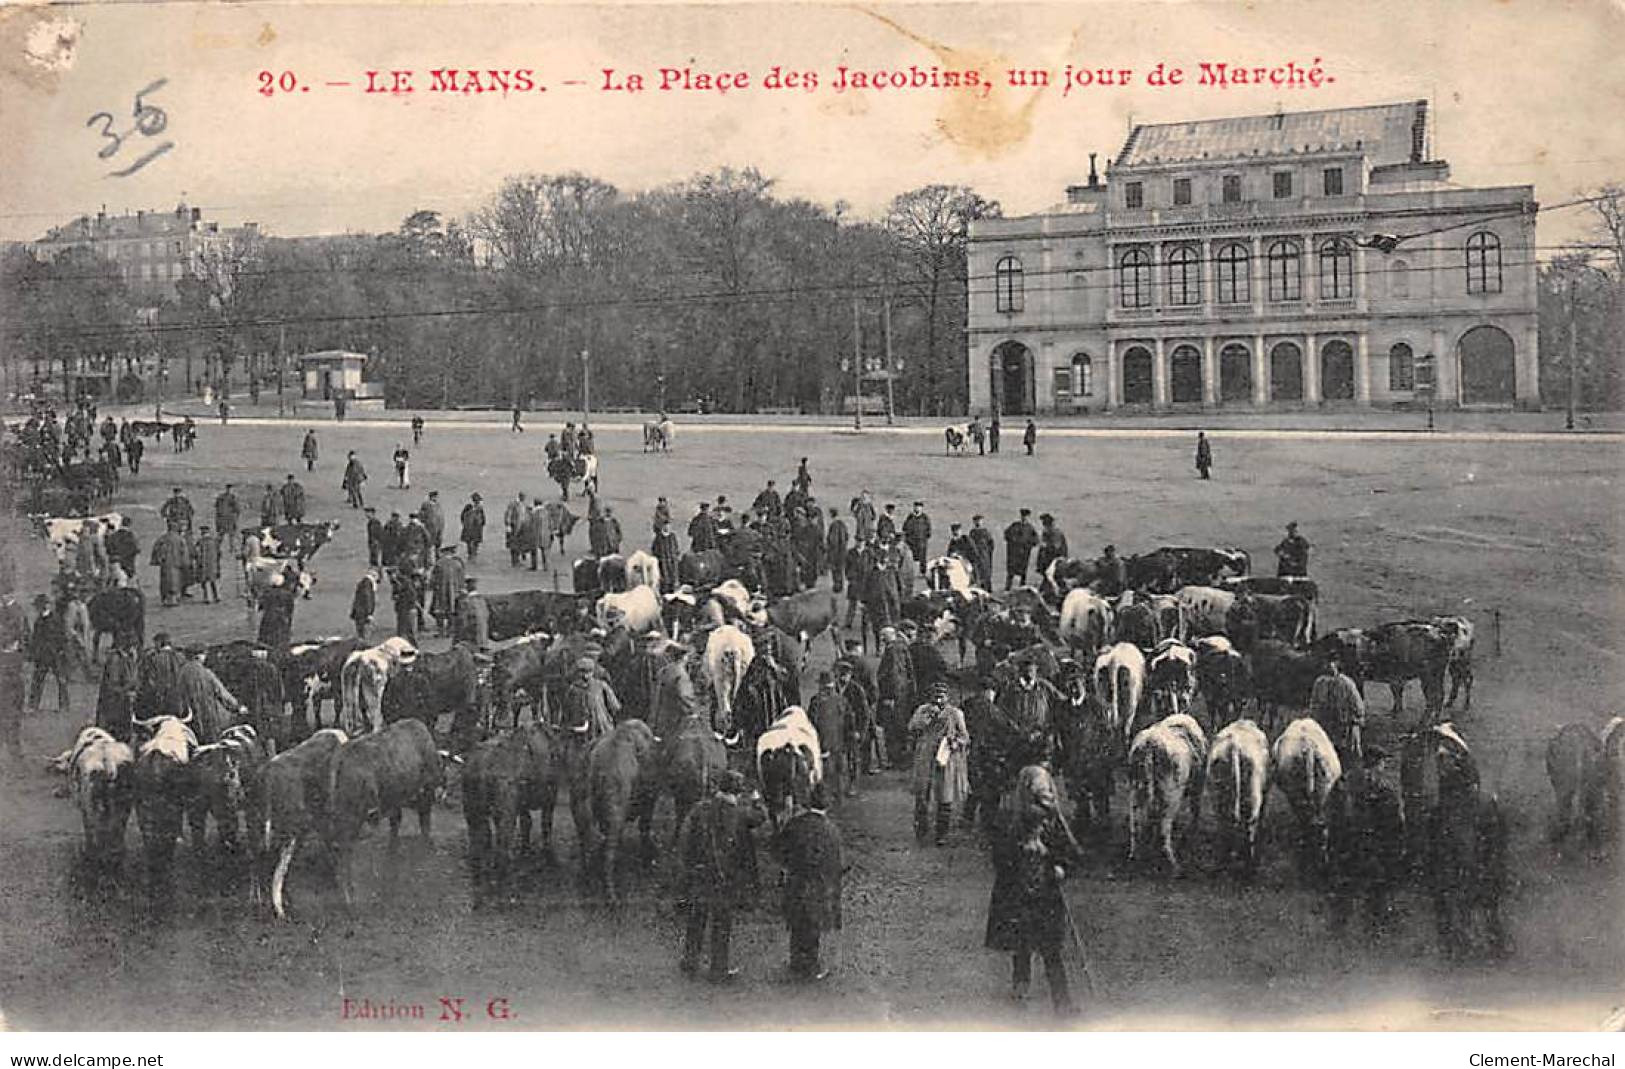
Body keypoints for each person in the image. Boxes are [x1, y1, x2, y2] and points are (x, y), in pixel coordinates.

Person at [984, 780, 1078, 1014]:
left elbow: (1068, 852)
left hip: (1046, 897)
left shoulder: (1053, 824)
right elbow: (1000, 860)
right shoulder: (1010, 825)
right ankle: (1020, 986)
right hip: (1020, 897)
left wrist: (1060, 866)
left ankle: (1062, 1001)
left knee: (1051, 950)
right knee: (1022, 944)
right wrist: (1020, 854)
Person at [677, 769, 762, 983]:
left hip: (701, 872)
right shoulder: (740, 814)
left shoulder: (700, 808)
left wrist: (689, 865)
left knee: (697, 918)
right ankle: (718, 969)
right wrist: (756, 800)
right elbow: (761, 818)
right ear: (737, 792)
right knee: (722, 923)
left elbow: (684, 839)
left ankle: (690, 960)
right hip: (726, 878)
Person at [776, 782, 844, 982]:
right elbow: (837, 864)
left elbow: (779, 848)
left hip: (796, 881)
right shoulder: (831, 831)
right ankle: (811, 965)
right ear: (827, 805)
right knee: (813, 924)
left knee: (797, 923)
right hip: (818, 885)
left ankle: (796, 961)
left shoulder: (795, 824)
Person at [909, 682, 971, 845]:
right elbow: (912, 728)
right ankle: (922, 829)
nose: (938, 699)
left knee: (945, 795)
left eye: (942, 696)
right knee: (922, 794)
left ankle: (941, 833)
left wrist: (955, 742)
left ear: (947, 697)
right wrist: (925, 721)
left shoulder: (955, 714)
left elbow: (965, 736)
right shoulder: (922, 710)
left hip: (945, 758)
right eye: (935, 695)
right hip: (925, 756)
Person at [178, 646, 248, 745]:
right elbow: (222, 693)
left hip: (190, 717)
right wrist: (238, 707)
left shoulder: (181, 673)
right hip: (209, 715)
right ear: (198, 656)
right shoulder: (206, 673)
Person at [1310, 654, 1366, 764]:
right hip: (1326, 728)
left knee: (1347, 756)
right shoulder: (1319, 683)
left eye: (1332, 663)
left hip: (1344, 729)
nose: (1329, 666)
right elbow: (1314, 705)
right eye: (1327, 663)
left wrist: (1355, 724)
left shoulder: (1347, 684)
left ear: (1337, 665)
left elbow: (1358, 707)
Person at [806, 671, 851, 800]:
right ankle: (840, 800)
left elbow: (811, 724)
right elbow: (848, 722)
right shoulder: (841, 700)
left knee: (826, 777)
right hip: (839, 745)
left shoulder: (816, 702)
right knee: (839, 775)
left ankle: (825, 802)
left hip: (823, 745)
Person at [25, 595, 70, 715]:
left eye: (38, 606)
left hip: (56, 654)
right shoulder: (39, 621)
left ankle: (64, 706)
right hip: (42, 655)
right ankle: (33, 705)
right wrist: (33, 653)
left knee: (61, 680)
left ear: (44, 606)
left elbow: (63, 637)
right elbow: (35, 638)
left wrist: (62, 651)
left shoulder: (56, 619)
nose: (37, 609)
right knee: (37, 680)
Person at [94, 640, 141, 744]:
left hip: (121, 706)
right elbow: (113, 685)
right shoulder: (116, 659)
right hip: (113, 708)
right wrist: (128, 690)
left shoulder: (126, 659)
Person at [429, 546, 466, 637]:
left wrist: (432, 586)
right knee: (452, 610)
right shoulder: (458, 564)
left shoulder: (439, 563)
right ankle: (450, 630)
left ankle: (441, 631)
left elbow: (433, 579)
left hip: (440, 591)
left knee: (439, 610)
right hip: (454, 592)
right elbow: (462, 579)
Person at [150, 524, 190, 607]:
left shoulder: (163, 538)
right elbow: (184, 552)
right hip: (177, 563)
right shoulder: (180, 539)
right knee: (176, 581)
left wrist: (157, 560)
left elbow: (156, 548)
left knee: (165, 581)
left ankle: (166, 599)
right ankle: (175, 598)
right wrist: (186, 563)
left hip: (166, 564)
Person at [256, 570, 298, 650]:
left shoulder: (267, 592)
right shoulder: (288, 595)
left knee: (266, 636)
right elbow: (289, 612)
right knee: (280, 638)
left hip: (268, 619)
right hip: (281, 621)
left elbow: (260, 606)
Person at [1004, 509, 1039, 590]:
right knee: (1011, 572)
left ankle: (1022, 588)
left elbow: (1036, 540)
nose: (1024, 518)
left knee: (1023, 572)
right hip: (1014, 553)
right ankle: (1007, 588)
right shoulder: (1015, 525)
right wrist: (1012, 542)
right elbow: (1007, 534)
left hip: (1024, 553)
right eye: (1023, 516)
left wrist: (1029, 544)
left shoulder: (1030, 528)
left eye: (1026, 517)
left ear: (1028, 517)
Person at [455, 576, 490, 651]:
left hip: (472, 639)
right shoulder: (482, 600)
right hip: (483, 638)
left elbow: (462, 621)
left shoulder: (466, 601)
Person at [652, 520, 682, 595]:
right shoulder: (658, 538)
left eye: (668, 526)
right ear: (663, 527)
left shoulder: (672, 536)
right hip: (663, 562)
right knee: (665, 580)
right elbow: (655, 550)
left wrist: (675, 555)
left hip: (672, 561)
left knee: (673, 579)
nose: (667, 528)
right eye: (665, 526)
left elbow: (676, 548)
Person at [392, 568, 422, 643]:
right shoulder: (401, 582)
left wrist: (398, 596)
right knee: (408, 632)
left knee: (406, 632)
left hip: (406, 609)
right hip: (406, 609)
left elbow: (410, 596)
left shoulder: (403, 583)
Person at [193, 524, 222, 604]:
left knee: (206, 581)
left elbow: (197, 553)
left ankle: (208, 598)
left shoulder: (200, 542)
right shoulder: (214, 541)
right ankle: (218, 596)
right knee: (215, 580)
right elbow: (219, 552)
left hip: (204, 564)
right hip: (214, 563)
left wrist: (198, 562)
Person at [902, 502, 932, 576]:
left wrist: (924, 538)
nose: (917, 508)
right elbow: (904, 528)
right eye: (916, 507)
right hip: (911, 541)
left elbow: (929, 530)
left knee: (922, 557)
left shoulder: (925, 518)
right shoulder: (910, 517)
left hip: (921, 542)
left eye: (919, 507)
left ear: (921, 508)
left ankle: (923, 572)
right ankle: (910, 572)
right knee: (911, 557)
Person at [824, 507, 849, 593]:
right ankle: (840, 585)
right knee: (840, 569)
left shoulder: (834, 525)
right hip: (842, 550)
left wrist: (828, 548)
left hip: (835, 551)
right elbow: (846, 536)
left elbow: (833, 540)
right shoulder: (842, 524)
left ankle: (837, 586)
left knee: (835, 569)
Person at [968, 515, 996, 590]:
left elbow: (991, 544)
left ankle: (988, 589)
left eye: (979, 521)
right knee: (977, 572)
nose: (978, 522)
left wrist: (987, 552)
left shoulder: (986, 532)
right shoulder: (972, 532)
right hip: (976, 556)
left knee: (986, 572)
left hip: (984, 555)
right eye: (976, 521)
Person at [351, 569, 379, 640]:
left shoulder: (362, 583)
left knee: (361, 634)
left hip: (359, 613)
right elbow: (368, 599)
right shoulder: (368, 584)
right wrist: (369, 613)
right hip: (363, 614)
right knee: (365, 634)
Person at [504, 492, 529, 567]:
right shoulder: (513, 504)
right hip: (514, 527)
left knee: (519, 544)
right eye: (523, 497)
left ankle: (517, 560)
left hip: (521, 528)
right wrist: (508, 525)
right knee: (514, 544)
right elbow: (508, 514)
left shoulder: (523, 504)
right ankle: (514, 561)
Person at [460, 493, 486, 561]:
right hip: (470, 529)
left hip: (477, 529)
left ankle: (473, 556)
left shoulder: (480, 509)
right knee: (470, 543)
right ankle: (471, 556)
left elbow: (483, 520)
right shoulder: (468, 507)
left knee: (475, 543)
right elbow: (462, 517)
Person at [214, 484, 241, 549]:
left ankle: (231, 548)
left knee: (231, 536)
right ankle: (217, 547)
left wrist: (235, 519)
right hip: (224, 519)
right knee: (221, 535)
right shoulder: (221, 498)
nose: (229, 490)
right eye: (228, 489)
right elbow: (217, 508)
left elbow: (237, 510)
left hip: (228, 520)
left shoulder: (231, 498)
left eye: (230, 489)